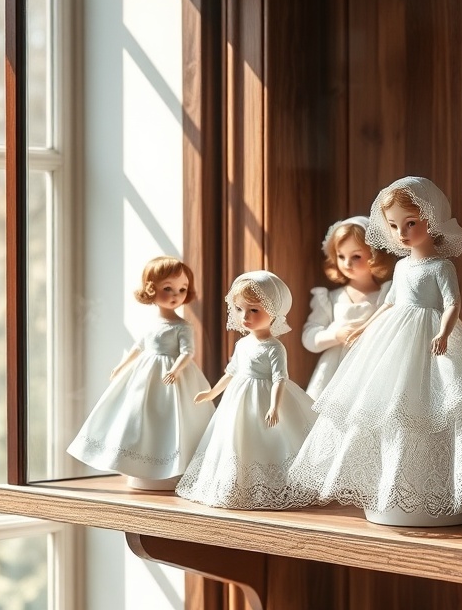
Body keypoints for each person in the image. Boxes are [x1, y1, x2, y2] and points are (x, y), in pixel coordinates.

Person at [288, 176, 462, 526]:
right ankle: (391, 487)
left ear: (431, 220)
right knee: (390, 403)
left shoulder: (441, 266)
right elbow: (389, 303)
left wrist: (443, 331)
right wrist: (366, 327)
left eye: (411, 223)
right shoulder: (401, 266)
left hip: (432, 337)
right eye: (395, 226)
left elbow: (453, 303)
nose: (403, 233)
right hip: (395, 336)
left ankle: (437, 491)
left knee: (437, 405)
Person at [67, 256, 213, 489]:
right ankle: (142, 466)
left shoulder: (182, 327)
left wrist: (175, 370)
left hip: (175, 378)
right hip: (146, 373)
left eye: (182, 289)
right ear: (151, 289)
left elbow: (188, 353)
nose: (176, 294)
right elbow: (139, 346)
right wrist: (122, 365)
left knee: (172, 419)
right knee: (139, 417)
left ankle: (172, 467)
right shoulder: (152, 323)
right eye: (168, 288)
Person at [176, 271, 317, 509]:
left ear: (274, 312)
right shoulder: (242, 344)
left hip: (264, 397)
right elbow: (231, 372)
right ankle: (235, 486)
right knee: (236, 439)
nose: (245, 317)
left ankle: (273, 487)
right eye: (240, 309)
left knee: (270, 441)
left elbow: (280, 379)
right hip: (238, 399)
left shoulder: (275, 348)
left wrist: (274, 405)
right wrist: (212, 393)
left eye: (254, 310)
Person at [301, 216, 393, 399]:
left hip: (371, 369)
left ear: (375, 255)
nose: (347, 263)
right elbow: (309, 336)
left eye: (356, 256)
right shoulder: (331, 298)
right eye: (341, 256)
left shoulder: (386, 296)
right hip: (333, 373)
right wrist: (335, 335)